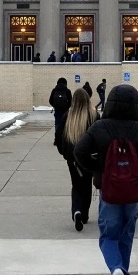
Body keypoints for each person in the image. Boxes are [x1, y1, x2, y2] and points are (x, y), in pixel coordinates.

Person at [75, 84, 138, 275]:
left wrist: (99, 167)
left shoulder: (99, 127)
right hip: (132, 191)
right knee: (126, 235)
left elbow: (79, 151)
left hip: (109, 190)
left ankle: (116, 270)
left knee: (108, 236)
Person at [55, 88, 98, 231]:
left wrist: (64, 153)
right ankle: (84, 214)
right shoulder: (94, 115)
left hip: (72, 158)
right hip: (89, 157)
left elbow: (59, 137)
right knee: (87, 183)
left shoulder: (69, 115)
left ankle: (77, 211)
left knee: (76, 185)